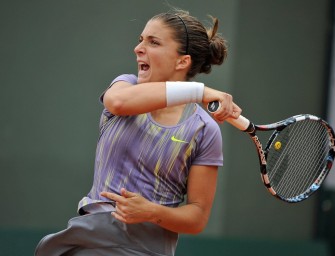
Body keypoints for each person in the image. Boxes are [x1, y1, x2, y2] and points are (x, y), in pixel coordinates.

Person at [35, 8, 241, 256]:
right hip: (91, 240)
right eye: (140, 39)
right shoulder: (125, 86)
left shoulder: (203, 129)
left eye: (153, 42)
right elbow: (119, 103)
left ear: (182, 61)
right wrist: (201, 92)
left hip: (148, 249)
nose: (138, 48)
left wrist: (152, 212)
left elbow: (196, 216)